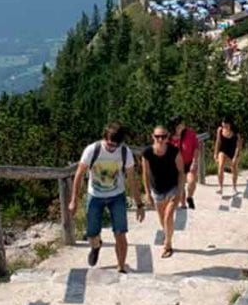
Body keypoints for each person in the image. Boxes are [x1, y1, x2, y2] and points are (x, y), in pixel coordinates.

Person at [69, 123, 145, 273]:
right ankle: (96, 246)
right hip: (95, 195)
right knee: (91, 233)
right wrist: (74, 200)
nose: (111, 148)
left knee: (120, 233)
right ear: (104, 138)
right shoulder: (92, 150)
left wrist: (139, 204)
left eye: (115, 146)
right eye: (109, 144)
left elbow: (132, 179)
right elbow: (78, 175)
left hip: (117, 196)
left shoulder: (125, 152)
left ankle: (121, 267)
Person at [141, 126, 185, 258]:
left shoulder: (174, 151)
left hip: (172, 188)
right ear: (152, 137)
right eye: (157, 136)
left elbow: (181, 172)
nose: (160, 139)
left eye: (163, 136)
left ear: (167, 137)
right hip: (157, 190)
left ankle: (168, 244)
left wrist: (180, 191)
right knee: (162, 219)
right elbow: (145, 173)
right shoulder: (147, 153)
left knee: (168, 217)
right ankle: (168, 236)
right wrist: (147, 193)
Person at [168, 115, 200, 209]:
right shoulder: (169, 138)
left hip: (189, 162)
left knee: (191, 182)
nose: (183, 124)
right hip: (177, 165)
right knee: (180, 186)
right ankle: (183, 204)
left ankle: (189, 197)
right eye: (181, 123)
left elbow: (196, 148)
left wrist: (195, 161)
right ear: (176, 126)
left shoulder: (190, 134)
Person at [214, 117, 243, 194]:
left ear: (230, 125)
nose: (224, 128)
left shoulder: (236, 133)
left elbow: (238, 146)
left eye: (226, 126)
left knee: (234, 168)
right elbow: (218, 142)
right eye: (223, 126)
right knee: (220, 166)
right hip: (223, 150)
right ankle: (220, 187)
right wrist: (215, 153)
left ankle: (234, 187)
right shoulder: (220, 130)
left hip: (234, 151)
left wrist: (234, 157)